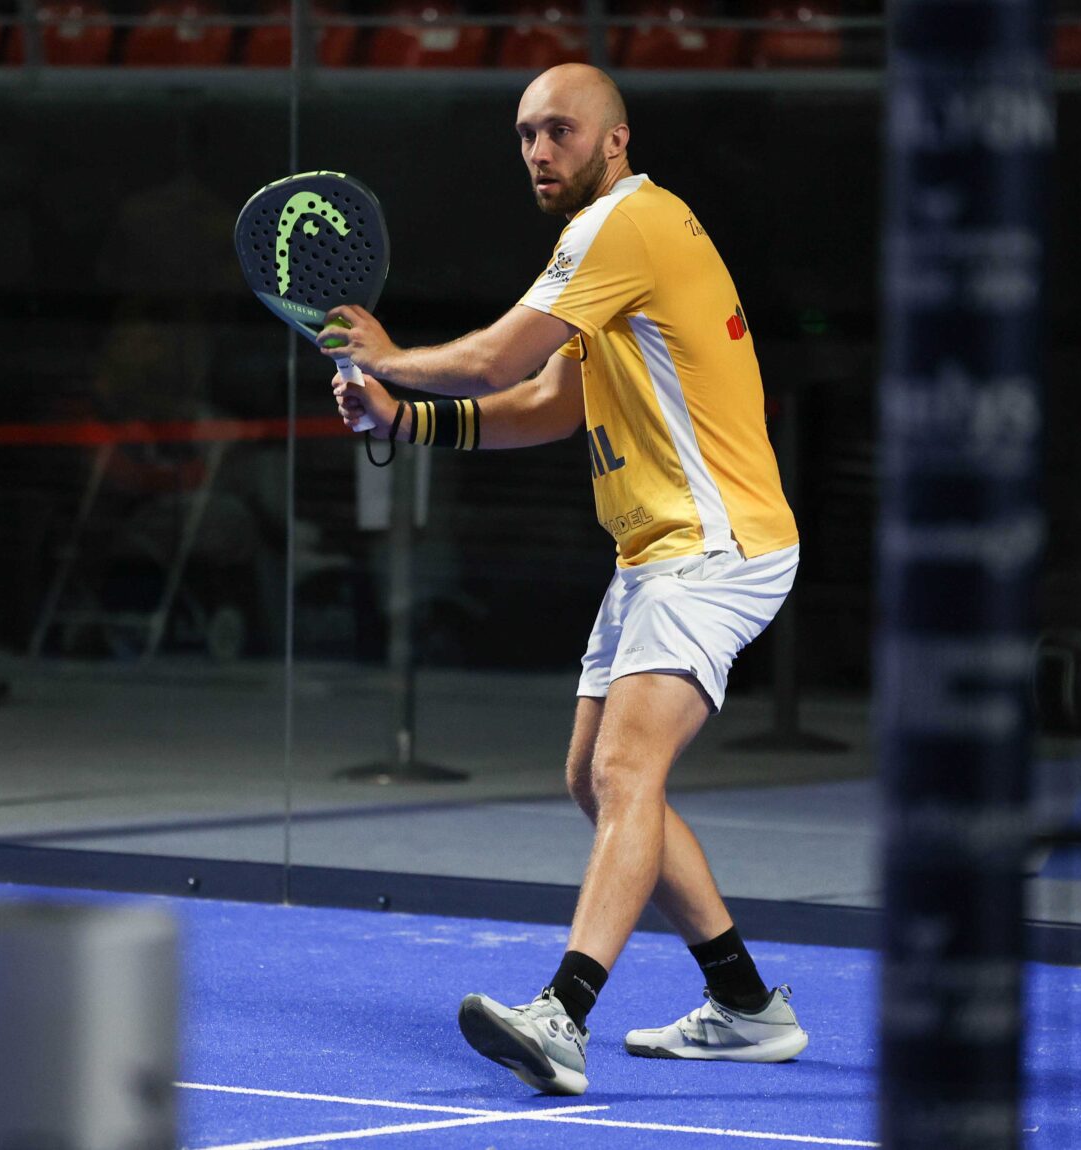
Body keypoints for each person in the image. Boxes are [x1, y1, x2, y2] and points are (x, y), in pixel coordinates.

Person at [315, 63, 806, 1096]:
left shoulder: (623, 226)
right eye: (525, 135)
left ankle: (563, 1014)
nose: (538, 151)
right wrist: (402, 418)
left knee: (626, 772)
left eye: (560, 131)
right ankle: (745, 1003)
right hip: (654, 552)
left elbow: (497, 358)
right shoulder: (610, 246)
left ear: (615, 139)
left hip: (713, 548)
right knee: (595, 778)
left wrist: (391, 356)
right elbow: (545, 401)